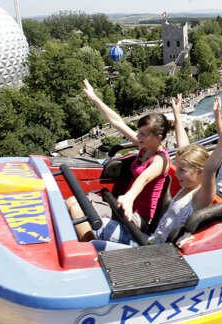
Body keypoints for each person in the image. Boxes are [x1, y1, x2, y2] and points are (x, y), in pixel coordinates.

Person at [71, 116, 222, 251]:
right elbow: (185, 148)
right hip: (148, 240)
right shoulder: (185, 187)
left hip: (155, 251)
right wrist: (177, 114)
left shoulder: (200, 197)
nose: (177, 174)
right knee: (87, 224)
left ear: (199, 172)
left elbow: (210, 169)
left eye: (182, 170)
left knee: (95, 244)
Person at [66, 79, 171, 242]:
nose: (137, 136)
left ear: (158, 138)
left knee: (78, 212)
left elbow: (143, 179)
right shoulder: (144, 146)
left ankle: (86, 250)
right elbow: (117, 122)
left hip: (137, 219)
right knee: (72, 201)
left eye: (143, 134)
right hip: (123, 207)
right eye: (139, 132)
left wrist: (129, 197)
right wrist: (95, 98)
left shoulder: (161, 160)